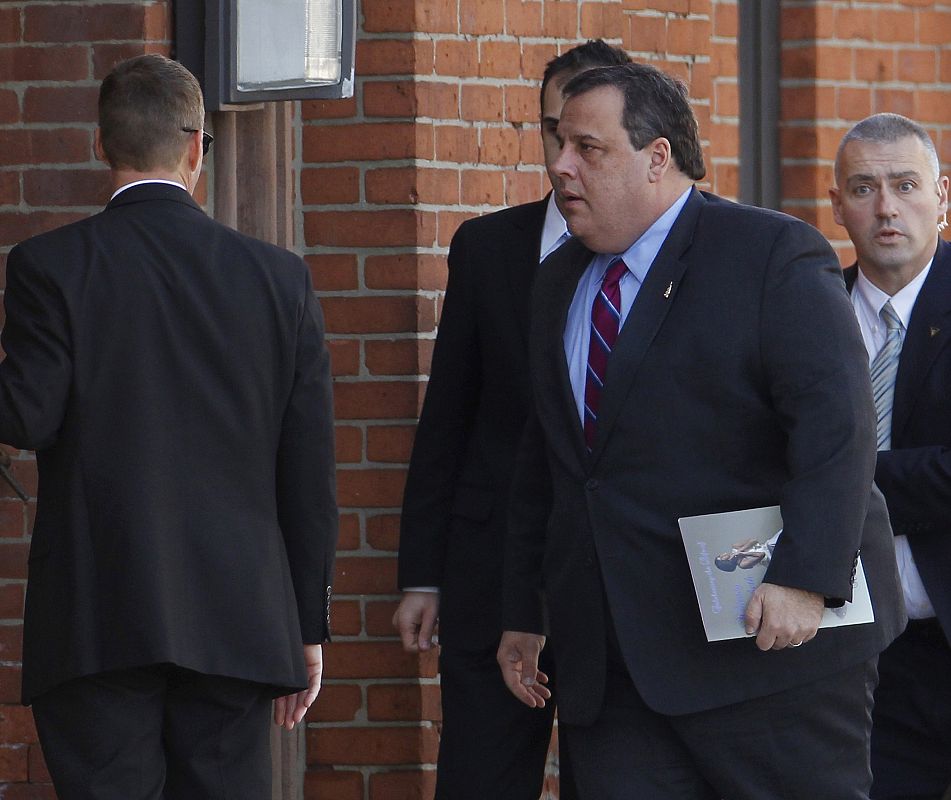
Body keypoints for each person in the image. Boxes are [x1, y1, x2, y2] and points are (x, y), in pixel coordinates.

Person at [497, 62, 905, 799]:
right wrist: (527, 610)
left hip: (769, 651)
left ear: (657, 158)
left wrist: (804, 580)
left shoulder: (768, 254)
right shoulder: (557, 280)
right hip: (614, 665)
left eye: (587, 148)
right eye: (557, 144)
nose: (559, 166)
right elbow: (551, 459)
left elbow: (836, 428)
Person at [4, 54, 338, 799]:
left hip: (97, 614)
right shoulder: (278, 279)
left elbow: (26, 414)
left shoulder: (49, 266)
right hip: (239, 616)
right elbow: (308, 465)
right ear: (195, 148)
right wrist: (305, 624)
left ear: (103, 146)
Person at [392, 40, 630, 800]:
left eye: (582, 135)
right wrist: (421, 573)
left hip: (618, 578)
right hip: (490, 574)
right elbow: (447, 417)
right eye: (550, 130)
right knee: (480, 778)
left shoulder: (666, 258)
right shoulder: (488, 246)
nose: (564, 152)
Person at [830, 112, 951, 800]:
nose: (885, 207)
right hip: (845, 653)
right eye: (863, 187)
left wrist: (835, 481)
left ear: (941, 195)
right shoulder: (803, 310)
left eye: (905, 185)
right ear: (837, 204)